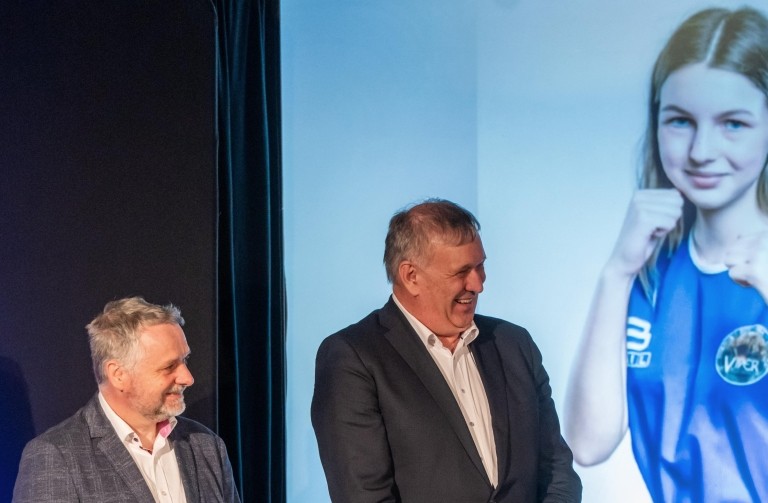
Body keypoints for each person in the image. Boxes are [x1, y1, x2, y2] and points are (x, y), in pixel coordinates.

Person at [564, 6, 768, 502]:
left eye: (733, 123)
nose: (701, 150)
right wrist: (617, 273)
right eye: (680, 121)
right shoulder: (650, 274)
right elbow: (587, 445)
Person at [311, 198, 581, 502]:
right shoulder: (354, 358)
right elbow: (364, 495)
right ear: (411, 276)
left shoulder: (514, 344)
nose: (478, 284)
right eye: (462, 271)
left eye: (480, 266)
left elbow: (557, 471)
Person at [13, 296, 240, 503]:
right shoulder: (56, 455)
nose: (188, 378)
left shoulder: (206, 446)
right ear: (118, 375)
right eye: (169, 366)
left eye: (185, 361)